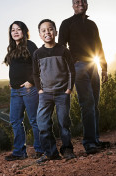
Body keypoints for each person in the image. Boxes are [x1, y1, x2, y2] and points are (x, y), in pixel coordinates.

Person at [58, 0, 110, 154]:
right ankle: (89, 143)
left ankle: (95, 139)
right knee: (86, 104)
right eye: (77, 2)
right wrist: (71, 64)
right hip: (78, 68)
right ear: (73, 5)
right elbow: (61, 46)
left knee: (94, 105)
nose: (80, 4)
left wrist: (104, 68)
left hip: (93, 65)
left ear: (87, 4)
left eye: (83, 1)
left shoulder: (92, 24)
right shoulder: (67, 23)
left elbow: (99, 46)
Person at [33, 19, 76, 163]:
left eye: (50, 29)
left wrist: (69, 89)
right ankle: (51, 152)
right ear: (39, 35)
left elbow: (71, 71)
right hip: (45, 94)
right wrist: (39, 90)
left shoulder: (64, 50)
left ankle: (67, 149)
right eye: (43, 30)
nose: (47, 32)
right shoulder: (37, 53)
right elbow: (35, 74)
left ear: (56, 32)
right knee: (43, 124)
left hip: (62, 93)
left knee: (64, 123)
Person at [3, 21, 43, 161]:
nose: (15, 32)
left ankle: (40, 150)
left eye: (18, 29)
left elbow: (39, 64)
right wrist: (11, 81)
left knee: (34, 120)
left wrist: (31, 81)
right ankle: (20, 152)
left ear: (24, 31)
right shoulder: (12, 48)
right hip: (15, 91)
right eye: (13, 30)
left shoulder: (30, 45)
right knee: (15, 120)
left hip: (28, 89)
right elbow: (14, 68)